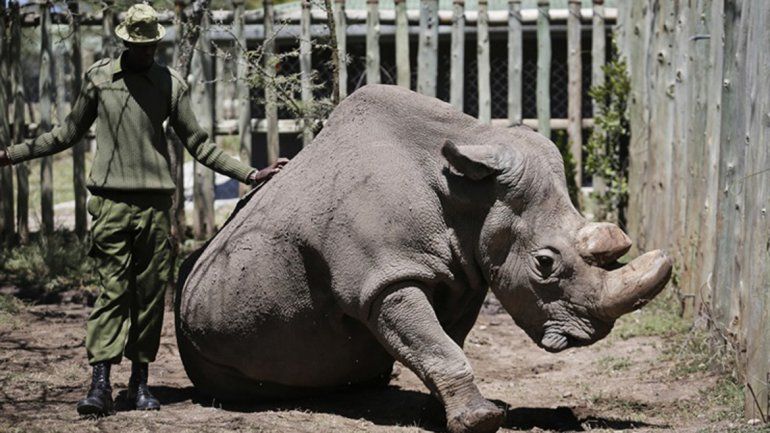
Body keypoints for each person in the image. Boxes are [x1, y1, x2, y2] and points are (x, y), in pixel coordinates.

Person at [0, 4, 288, 416]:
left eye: (153, 45)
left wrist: (250, 173)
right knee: (112, 293)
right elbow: (66, 133)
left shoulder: (170, 84)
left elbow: (199, 143)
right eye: (140, 46)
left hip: (154, 207)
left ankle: (140, 383)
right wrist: (11, 154)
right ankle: (100, 384)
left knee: (150, 297)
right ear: (125, 42)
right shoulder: (100, 80)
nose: (148, 52)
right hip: (111, 205)